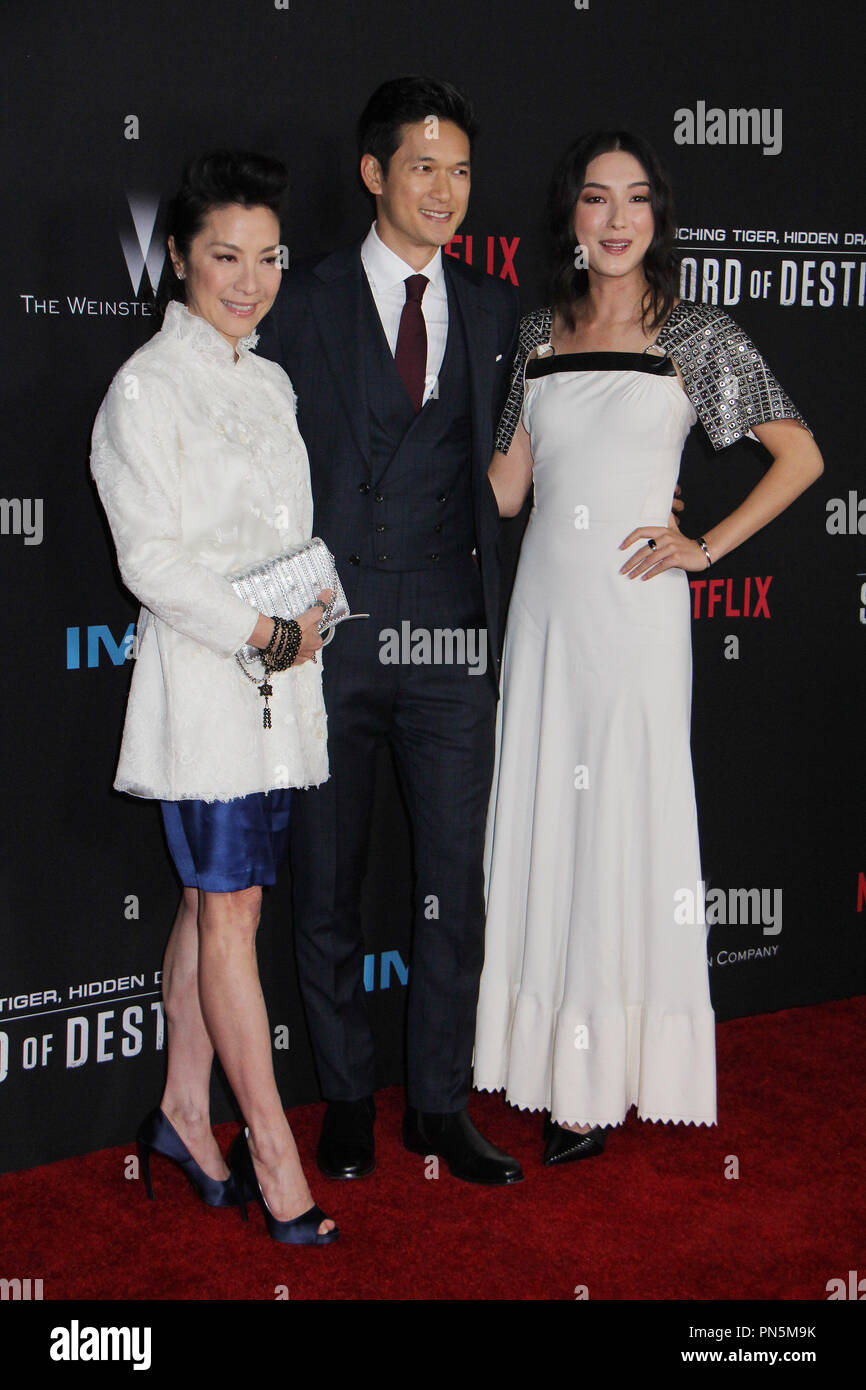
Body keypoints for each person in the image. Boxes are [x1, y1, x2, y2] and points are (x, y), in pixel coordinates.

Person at [472, 131, 823, 1163]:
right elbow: (503, 487)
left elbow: (799, 456)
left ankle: (597, 1079)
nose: (615, 219)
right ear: (568, 218)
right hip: (543, 614)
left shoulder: (696, 336)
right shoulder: (533, 331)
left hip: (633, 622)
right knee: (543, 816)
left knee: (622, 824)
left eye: (634, 200)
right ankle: (535, 1060)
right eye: (594, 199)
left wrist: (700, 545)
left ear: (656, 219)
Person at [256, 76, 524, 1184]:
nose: (444, 190)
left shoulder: (500, 310)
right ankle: (349, 1100)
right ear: (373, 174)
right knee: (325, 879)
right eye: (422, 167)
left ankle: (438, 1103)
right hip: (332, 634)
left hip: (454, 636)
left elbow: (518, 472)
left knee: (451, 878)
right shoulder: (300, 297)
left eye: (459, 170)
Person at [90, 150, 339, 1243]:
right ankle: (273, 1155)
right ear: (179, 261)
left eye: (266, 256)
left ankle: (185, 1109)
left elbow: (276, 539)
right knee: (230, 909)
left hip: (279, 690)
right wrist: (264, 629)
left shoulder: (269, 378)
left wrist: (306, 608)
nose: (248, 279)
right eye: (222, 256)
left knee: (215, 905)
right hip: (206, 694)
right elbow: (149, 560)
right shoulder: (147, 385)